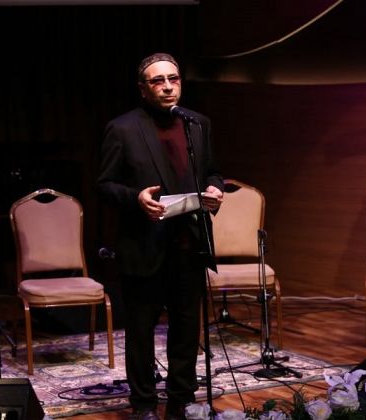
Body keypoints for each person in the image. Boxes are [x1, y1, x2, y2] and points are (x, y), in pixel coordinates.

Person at [97, 52, 224, 420]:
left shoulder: (197, 124)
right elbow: (105, 185)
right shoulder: (122, 128)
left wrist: (215, 189)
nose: (168, 87)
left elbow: (212, 171)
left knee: (186, 329)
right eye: (158, 81)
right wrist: (136, 199)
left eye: (173, 79)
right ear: (143, 89)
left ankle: (181, 400)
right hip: (143, 245)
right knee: (141, 332)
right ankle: (144, 405)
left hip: (189, 244)